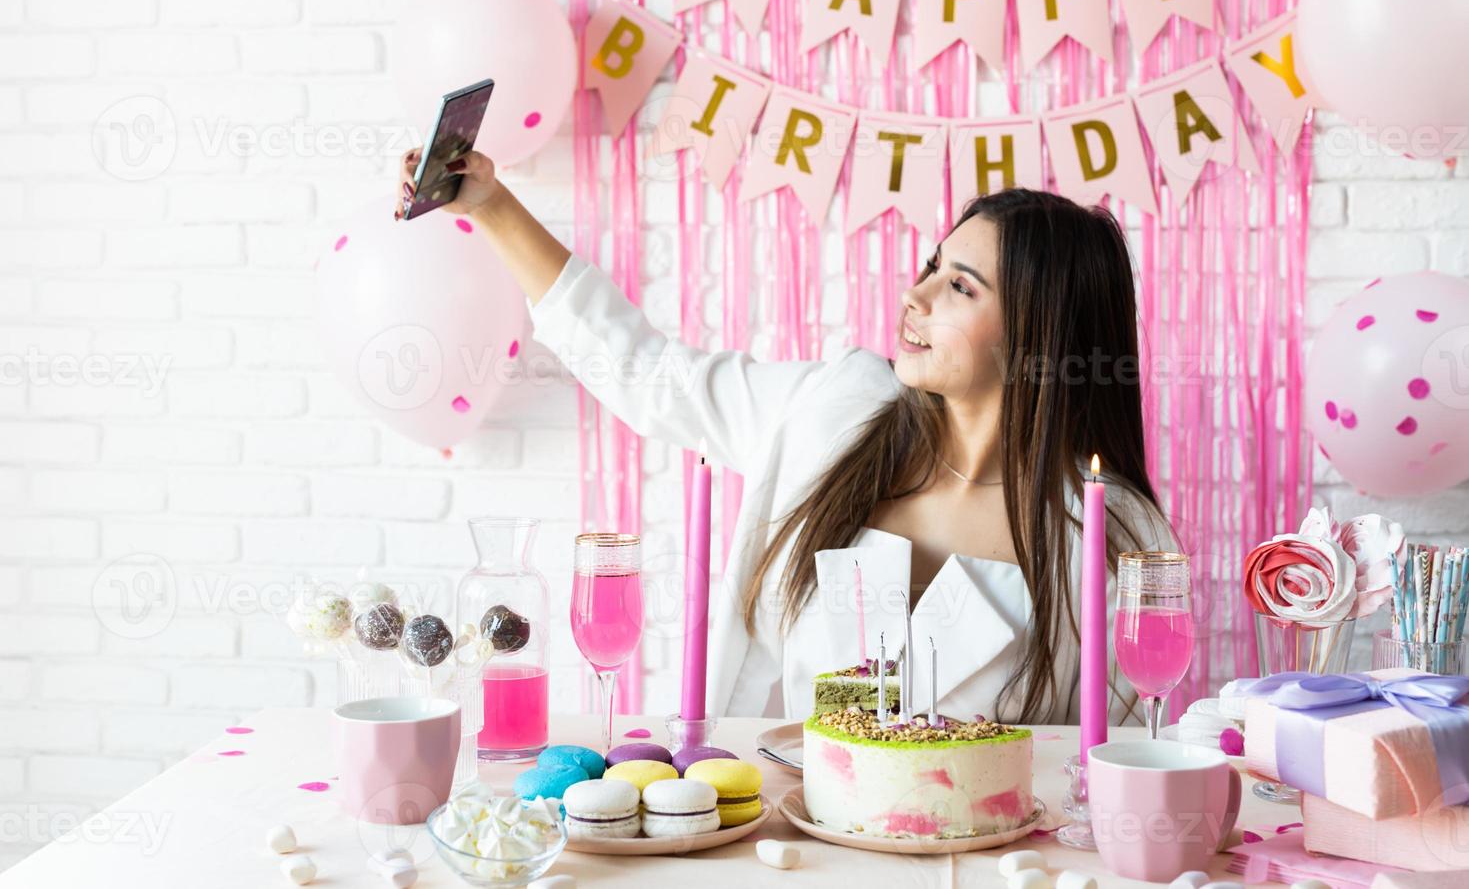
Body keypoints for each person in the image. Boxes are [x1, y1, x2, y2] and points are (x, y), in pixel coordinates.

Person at [396, 148, 1176, 724]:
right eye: (931, 266)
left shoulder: (1113, 534)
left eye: (959, 286)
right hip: (793, 844)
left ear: (1039, 335)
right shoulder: (834, 409)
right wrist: (492, 205)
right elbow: (647, 372)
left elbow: (1121, 769)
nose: (916, 294)